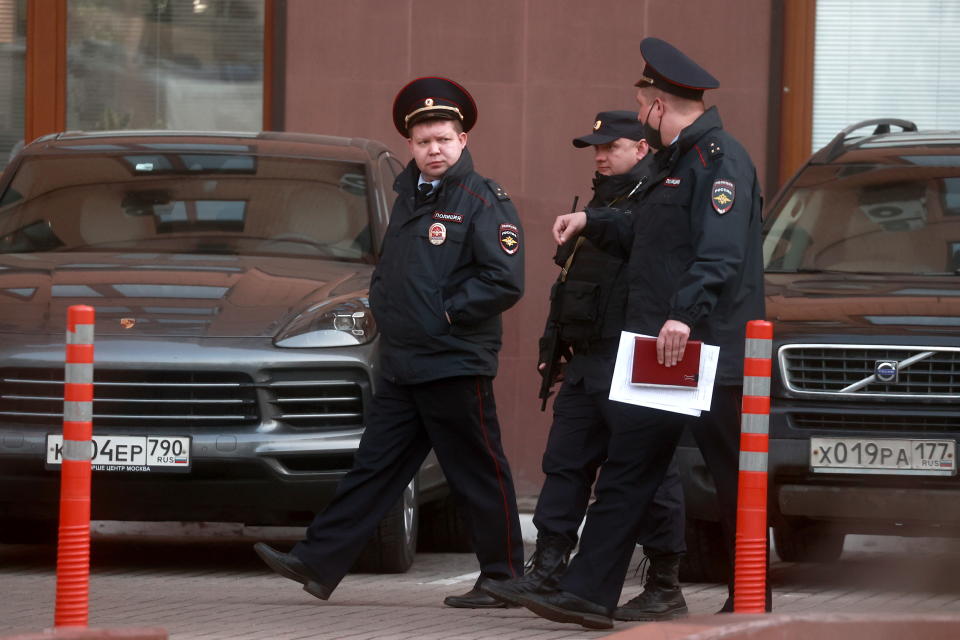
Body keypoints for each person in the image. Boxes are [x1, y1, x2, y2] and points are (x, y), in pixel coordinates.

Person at [504, 37, 766, 630]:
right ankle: (589, 594)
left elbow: (720, 254)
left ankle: (749, 597)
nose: (640, 112)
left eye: (640, 103)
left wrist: (685, 314)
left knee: (733, 478)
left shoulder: (719, 160)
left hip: (708, 345)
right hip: (660, 346)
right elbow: (646, 238)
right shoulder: (673, 164)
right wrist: (590, 222)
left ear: (656, 104)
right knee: (629, 466)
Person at [254, 76, 525, 609]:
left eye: (444, 138)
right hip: (404, 363)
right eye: (424, 141)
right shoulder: (408, 195)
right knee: (374, 467)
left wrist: (443, 313)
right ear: (411, 146)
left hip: (452, 362)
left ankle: (505, 577)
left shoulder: (481, 199)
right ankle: (318, 559)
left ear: (463, 140)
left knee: (477, 471)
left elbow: (504, 280)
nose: (434, 149)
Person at [482, 110, 688, 622]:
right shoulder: (601, 200)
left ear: (642, 149)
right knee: (565, 462)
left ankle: (664, 583)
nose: (599, 156)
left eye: (610, 147)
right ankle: (549, 568)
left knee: (649, 474)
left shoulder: (660, 197)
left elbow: (649, 249)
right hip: (589, 358)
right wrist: (557, 347)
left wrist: (595, 220)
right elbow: (573, 286)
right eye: (594, 148)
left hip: (639, 357)